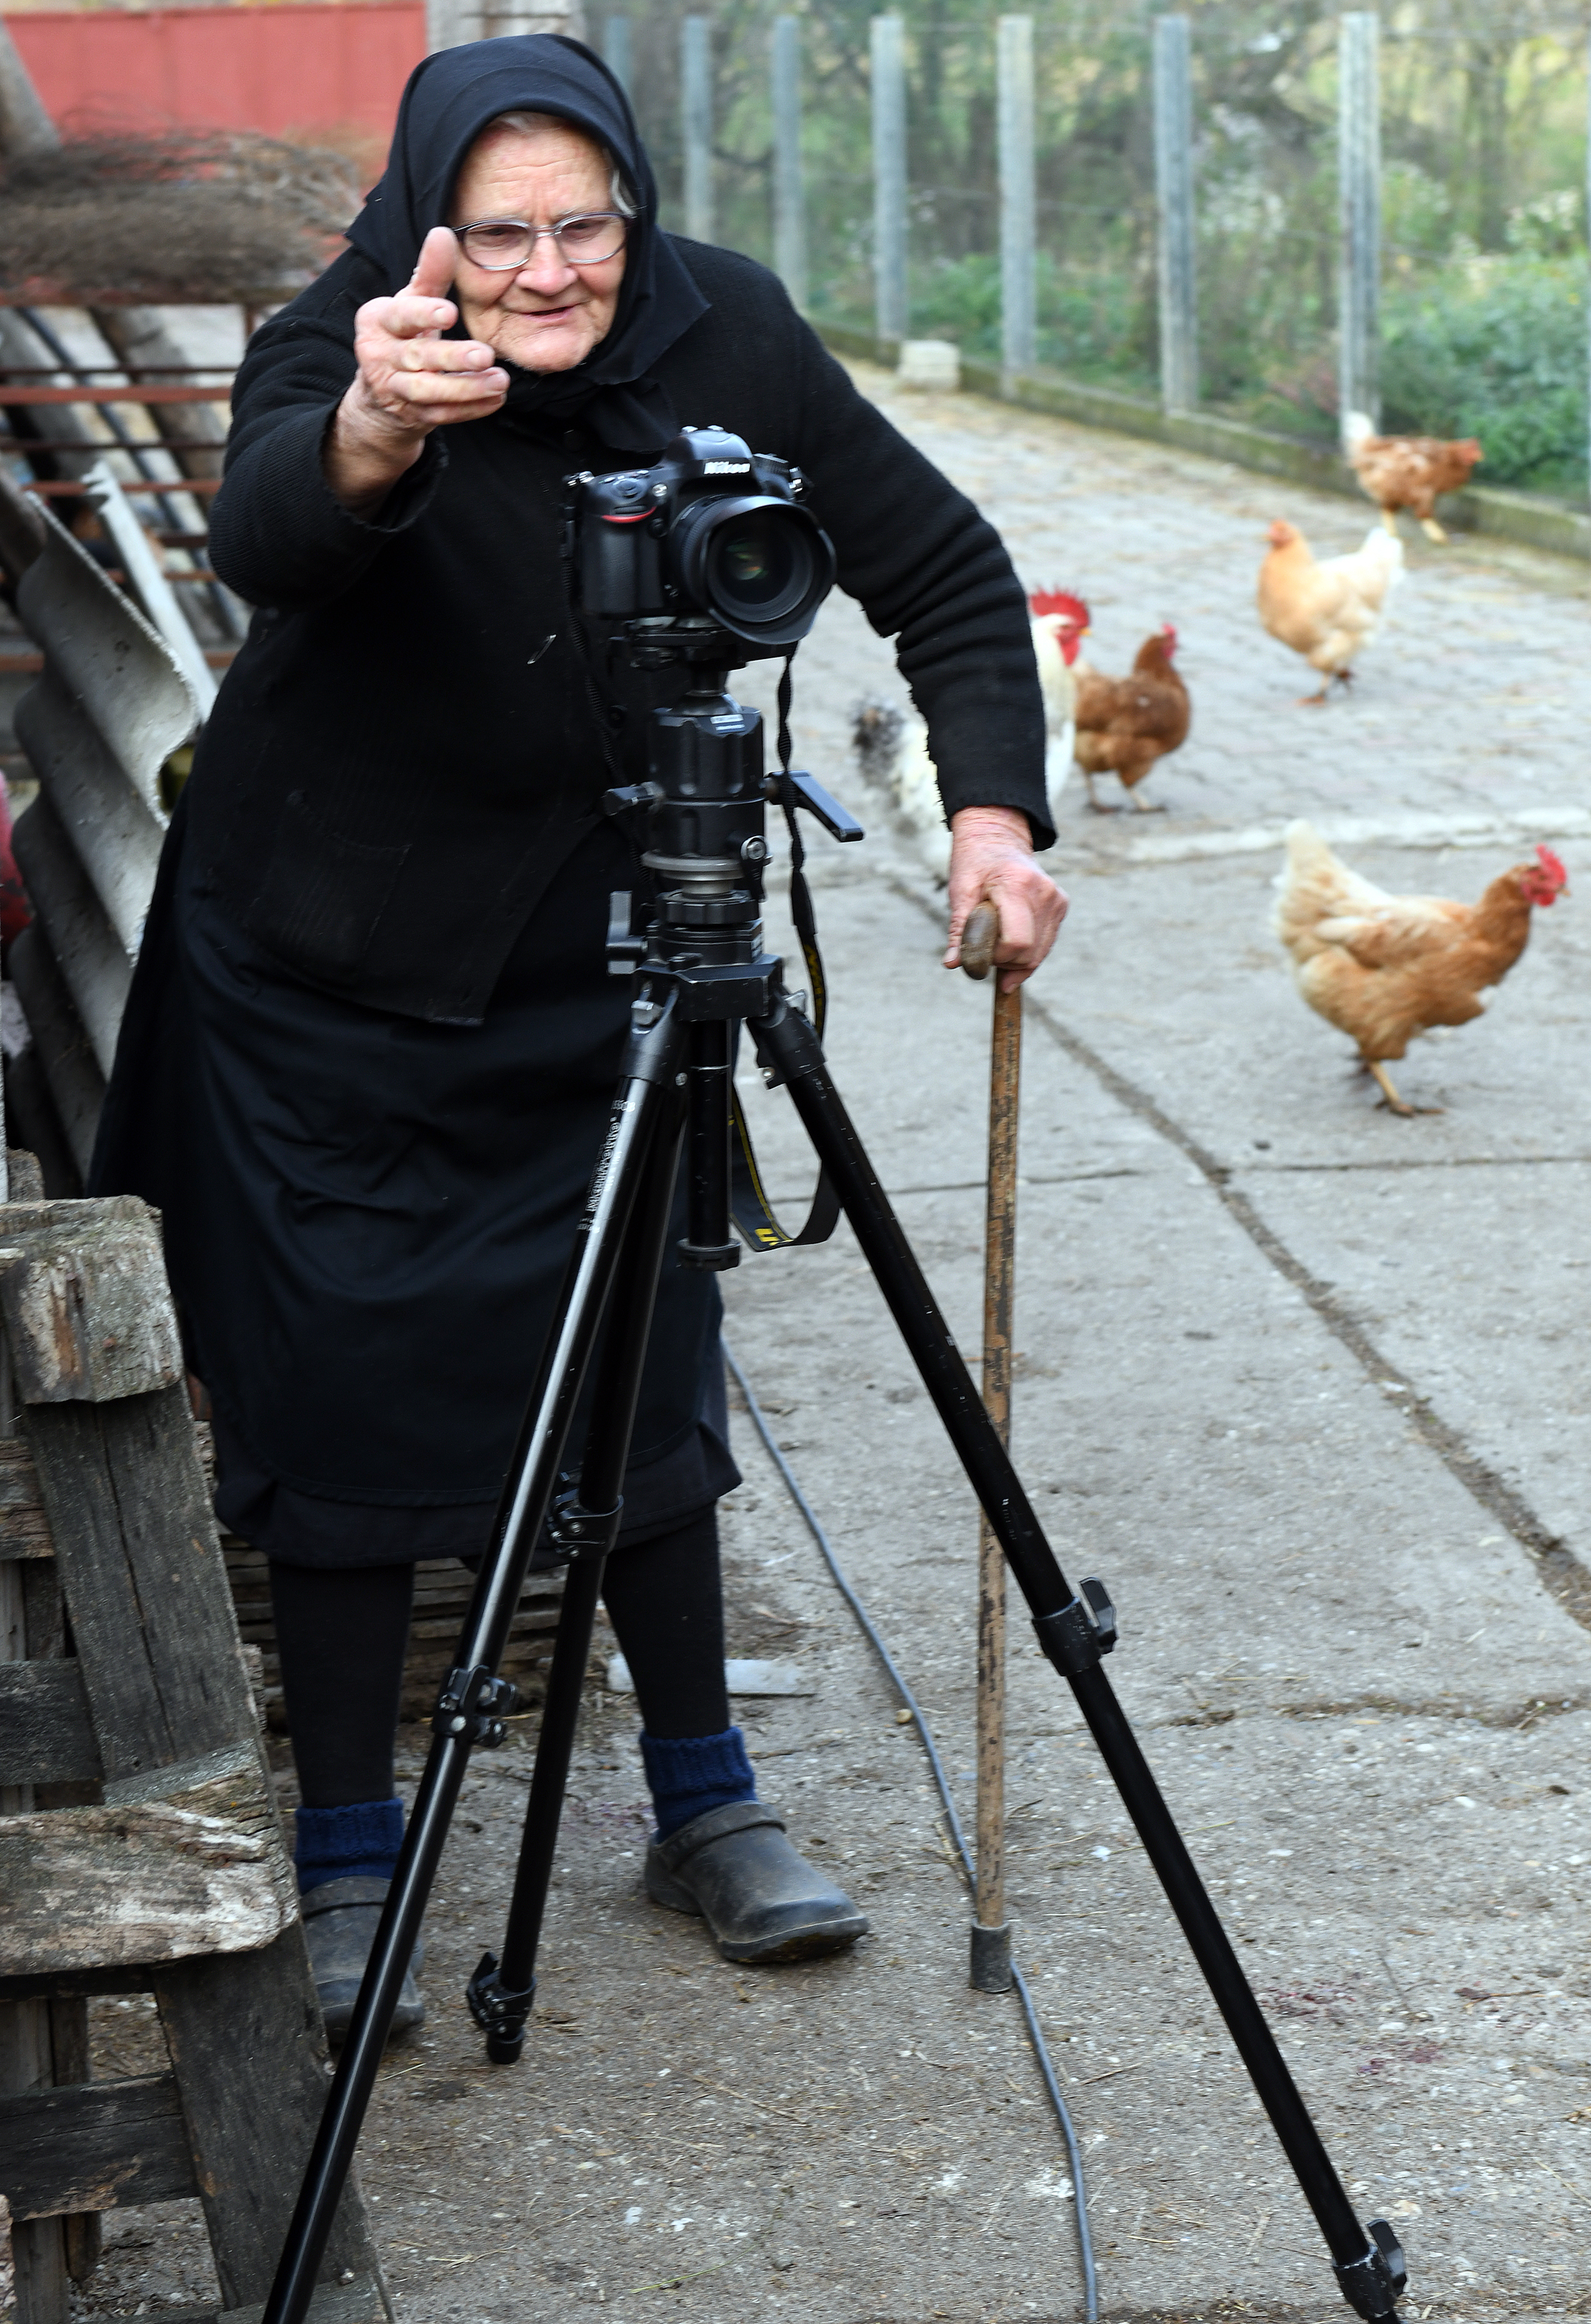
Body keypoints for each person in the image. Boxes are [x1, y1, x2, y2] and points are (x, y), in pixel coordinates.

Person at [91, 35, 1067, 2037]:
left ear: (636, 205)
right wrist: (376, 427)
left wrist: (993, 812)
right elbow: (266, 533)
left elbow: (945, 566)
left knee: (649, 1364)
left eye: (586, 226)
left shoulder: (735, 335)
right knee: (343, 1401)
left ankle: (704, 1799)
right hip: (328, 964)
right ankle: (354, 1839)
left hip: (613, 945)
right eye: (502, 232)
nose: (547, 271)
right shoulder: (351, 345)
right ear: (432, 228)